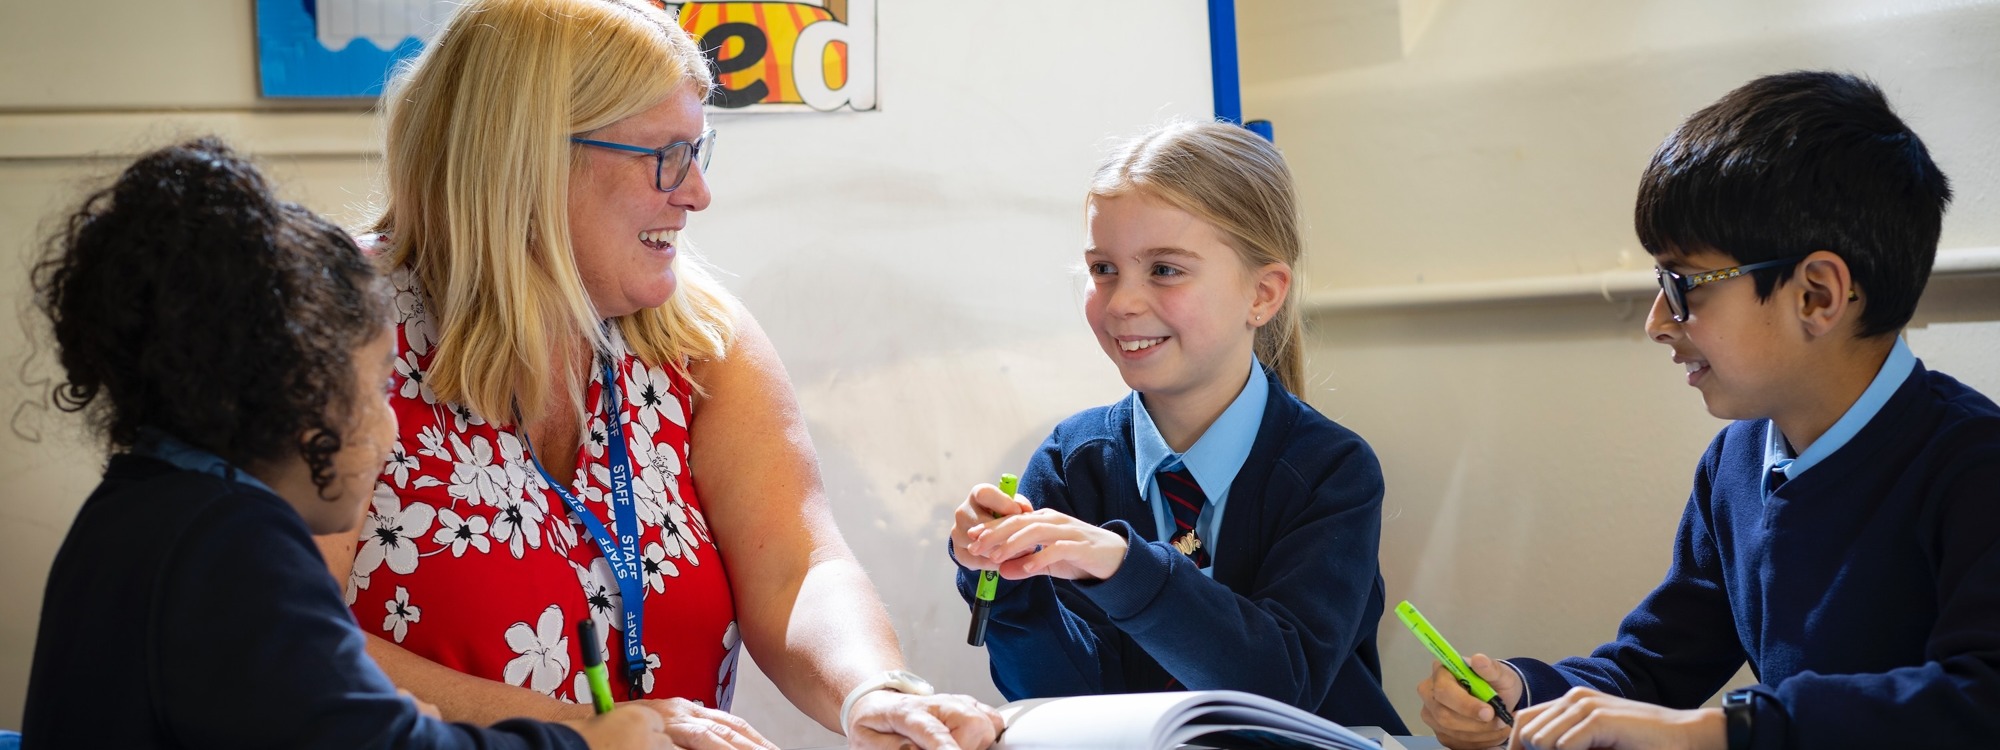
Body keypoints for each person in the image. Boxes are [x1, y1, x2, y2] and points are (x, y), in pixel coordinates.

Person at [315, 2, 1002, 749]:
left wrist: (870, 688)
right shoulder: (335, 325)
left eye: (698, 150)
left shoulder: (698, 337)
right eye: (665, 154)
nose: (697, 192)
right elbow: (282, 636)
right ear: (530, 156)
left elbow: (796, 572)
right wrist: (585, 732)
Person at [1416, 71, 2000, 750]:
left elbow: (1979, 701)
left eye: (1683, 285)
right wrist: (1522, 695)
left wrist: (1728, 728)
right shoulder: (1735, 464)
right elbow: (1653, 668)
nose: (1658, 322)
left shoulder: (1974, 468)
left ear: (1817, 295)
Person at [21, 137, 668, 748]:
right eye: (379, 387)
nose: (390, 432)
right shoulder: (235, 546)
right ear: (301, 394)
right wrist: (582, 740)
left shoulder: (132, 509)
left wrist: (389, 716)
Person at [948, 120, 1406, 732]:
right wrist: (1004, 585)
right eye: (1103, 268)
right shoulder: (1070, 462)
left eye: (1164, 269)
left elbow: (1280, 686)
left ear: (1263, 295)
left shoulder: (1331, 471)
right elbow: (1066, 699)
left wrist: (1122, 567)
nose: (1121, 303)